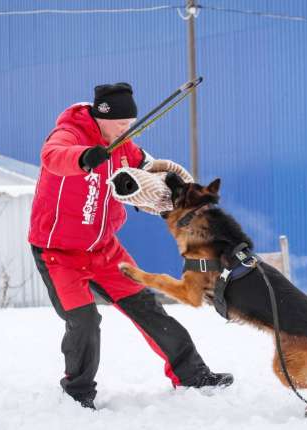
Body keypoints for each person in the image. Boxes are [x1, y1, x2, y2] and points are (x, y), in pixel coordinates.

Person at [28, 82, 233, 410]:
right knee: (84, 322)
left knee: (148, 308)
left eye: (130, 124)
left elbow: (149, 168)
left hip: (105, 251)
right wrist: (84, 157)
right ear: (102, 118)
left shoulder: (124, 147)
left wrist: (170, 185)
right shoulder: (69, 134)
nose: (127, 130)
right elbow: (53, 157)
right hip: (58, 255)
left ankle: (193, 375)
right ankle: (78, 394)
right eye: (122, 124)